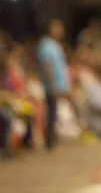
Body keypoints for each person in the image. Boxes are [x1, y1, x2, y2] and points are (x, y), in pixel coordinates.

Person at [36, 18, 70, 151]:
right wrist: (52, 84)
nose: (60, 30)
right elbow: (46, 65)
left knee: (55, 113)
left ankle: (52, 139)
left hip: (58, 85)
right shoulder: (45, 44)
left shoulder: (56, 44)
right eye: (57, 27)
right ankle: (49, 141)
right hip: (51, 85)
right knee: (51, 113)